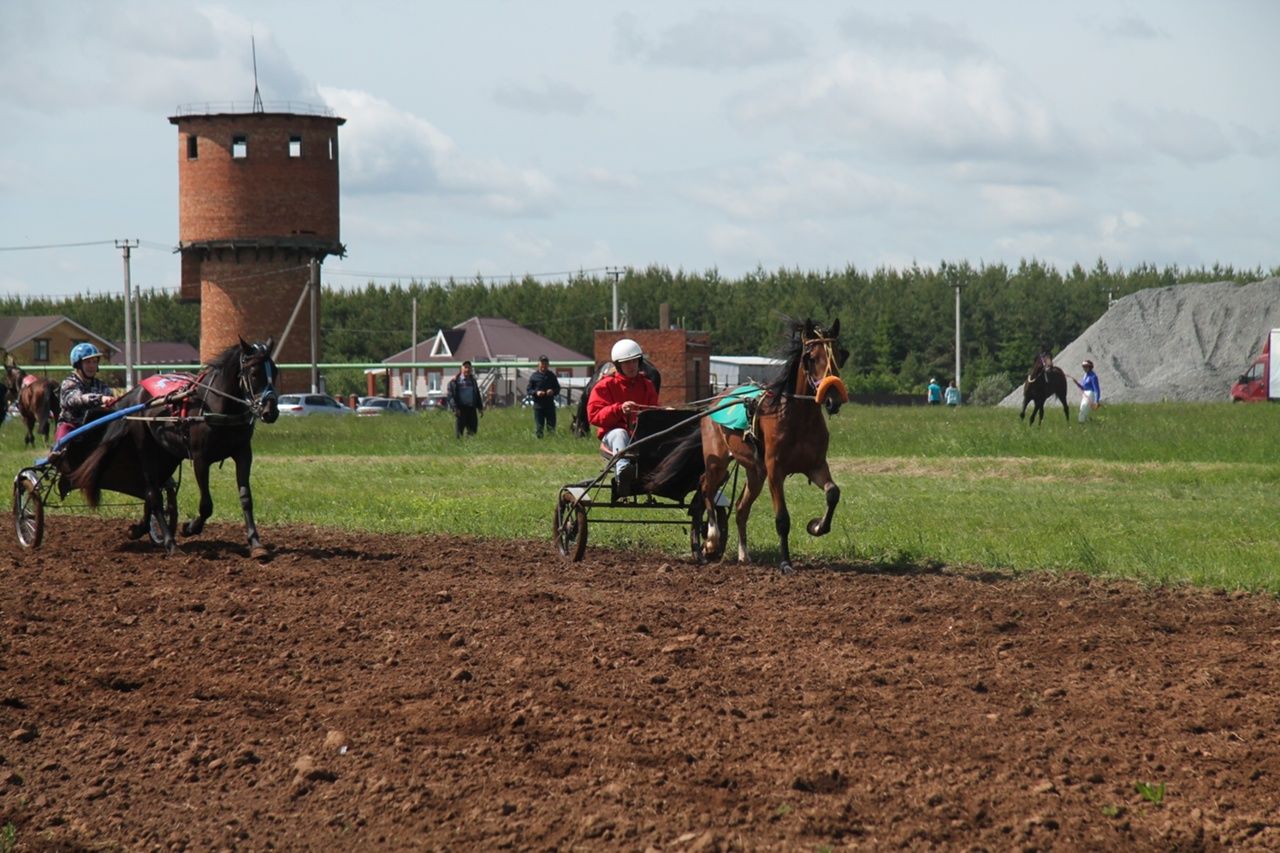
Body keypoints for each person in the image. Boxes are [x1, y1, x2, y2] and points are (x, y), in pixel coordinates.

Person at [587, 338, 658, 498]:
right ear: (618, 365)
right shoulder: (605, 386)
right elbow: (594, 416)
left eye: (634, 361)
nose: (632, 366)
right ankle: (623, 476)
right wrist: (619, 409)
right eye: (627, 363)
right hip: (613, 438)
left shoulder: (647, 385)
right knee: (620, 433)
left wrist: (664, 411)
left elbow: (652, 412)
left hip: (639, 436)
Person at [56, 342, 117, 445]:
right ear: (78, 364)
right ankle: (58, 453)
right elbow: (75, 399)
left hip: (96, 428)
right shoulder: (69, 383)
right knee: (64, 428)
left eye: (94, 362)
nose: (92, 366)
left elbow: (111, 399)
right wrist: (100, 399)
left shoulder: (100, 385)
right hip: (74, 427)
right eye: (88, 362)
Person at [526, 355, 561, 438]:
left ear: (548, 365)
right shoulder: (534, 376)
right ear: (538, 364)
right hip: (538, 407)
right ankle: (539, 445)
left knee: (551, 428)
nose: (544, 365)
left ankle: (551, 443)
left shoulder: (551, 376)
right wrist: (536, 392)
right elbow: (529, 390)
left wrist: (552, 391)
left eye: (545, 363)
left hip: (550, 406)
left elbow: (557, 388)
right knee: (539, 428)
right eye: (542, 363)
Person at [446, 360, 484, 437]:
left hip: (471, 409)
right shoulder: (454, 382)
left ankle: (469, 447)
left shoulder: (473, 381)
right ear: (461, 368)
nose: (467, 369)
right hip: (460, 410)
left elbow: (477, 394)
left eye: (469, 367)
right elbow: (450, 396)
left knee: (473, 431)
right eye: (465, 367)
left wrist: (480, 407)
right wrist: (455, 408)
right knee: (459, 434)